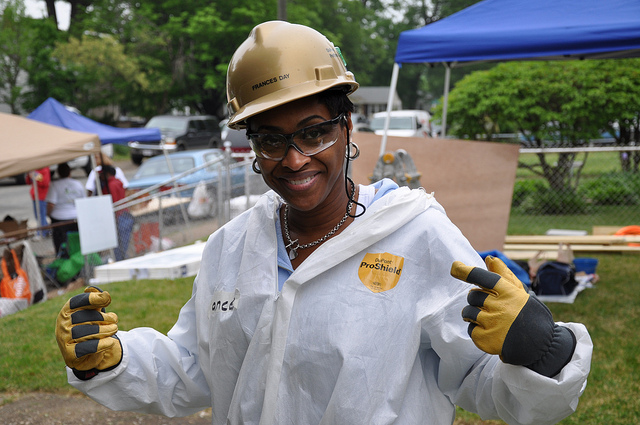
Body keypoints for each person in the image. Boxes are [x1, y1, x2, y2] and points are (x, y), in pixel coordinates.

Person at [55, 21, 592, 425]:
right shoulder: (232, 248)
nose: (294, 160)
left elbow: (481, 381)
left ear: (347, 126)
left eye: (313, 132)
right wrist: (113, 359)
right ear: (253, 146)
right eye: (270, 139)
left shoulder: (418, 235)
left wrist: (542, 353)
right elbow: (197, 366)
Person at [46, 163, 85, 254]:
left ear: (58, 173)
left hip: (59, 219)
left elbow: (51, 203)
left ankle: (63, 259)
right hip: (75, 217)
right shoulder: (78, 184)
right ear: (70, 172)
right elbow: (83, 201)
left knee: (61, 244)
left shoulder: (54, 185)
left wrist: (47, 213)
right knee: (76, 242)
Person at [101, 165, 134, 261]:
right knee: (122, 244)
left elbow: (115, 202)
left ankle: (120, 261)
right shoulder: (118, 182)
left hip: (119, 216)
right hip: (124, 215)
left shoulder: (111, 185)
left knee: (119, 246)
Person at [25, 166, 51, 237]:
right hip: (35, 197)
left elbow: (44, 183)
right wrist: (29, 175)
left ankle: (42, 233)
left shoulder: (45, 170)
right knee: (38, 216)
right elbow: (28, 181)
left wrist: (34, 175)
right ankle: (46, 230)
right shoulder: (36, 169)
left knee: (41, 216)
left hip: (41, 196)